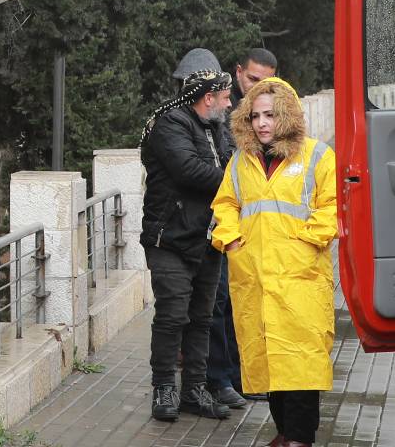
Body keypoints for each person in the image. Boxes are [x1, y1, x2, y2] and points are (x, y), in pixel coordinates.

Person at [211, 75, 338, 447]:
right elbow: (225, 204)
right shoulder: (242, 160)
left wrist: (304, 242)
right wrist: (231, 241)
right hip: (256, 278)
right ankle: (284, 432)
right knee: (269, 361)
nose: (262, 123)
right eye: (255, 116)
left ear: (287, 115)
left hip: (301, 278)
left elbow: (332, 206)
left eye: (270, 115)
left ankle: (298, 438)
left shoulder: (316, 155)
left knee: (301, 364)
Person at [138, 48, 236, 423]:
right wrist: (239, 183)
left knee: (202, 318)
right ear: (207, 97)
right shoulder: (170, 124)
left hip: (208, 237)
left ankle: (194, 390)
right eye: (224, 97)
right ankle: (164, 387)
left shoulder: (216, 127)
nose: (229, 104)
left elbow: (232, 160)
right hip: (170, 238)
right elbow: (190, 171)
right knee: (172, 316)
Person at [206, 46, 278, 410]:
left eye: (266, 81)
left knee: (246, 304)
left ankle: (241, 376)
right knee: (222, 302)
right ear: (238, 73)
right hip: (225, 224)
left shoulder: (270, 110)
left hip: (257, 227)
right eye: (252, 79)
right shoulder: (223, 109)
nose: (257, 86)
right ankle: (223, 379)